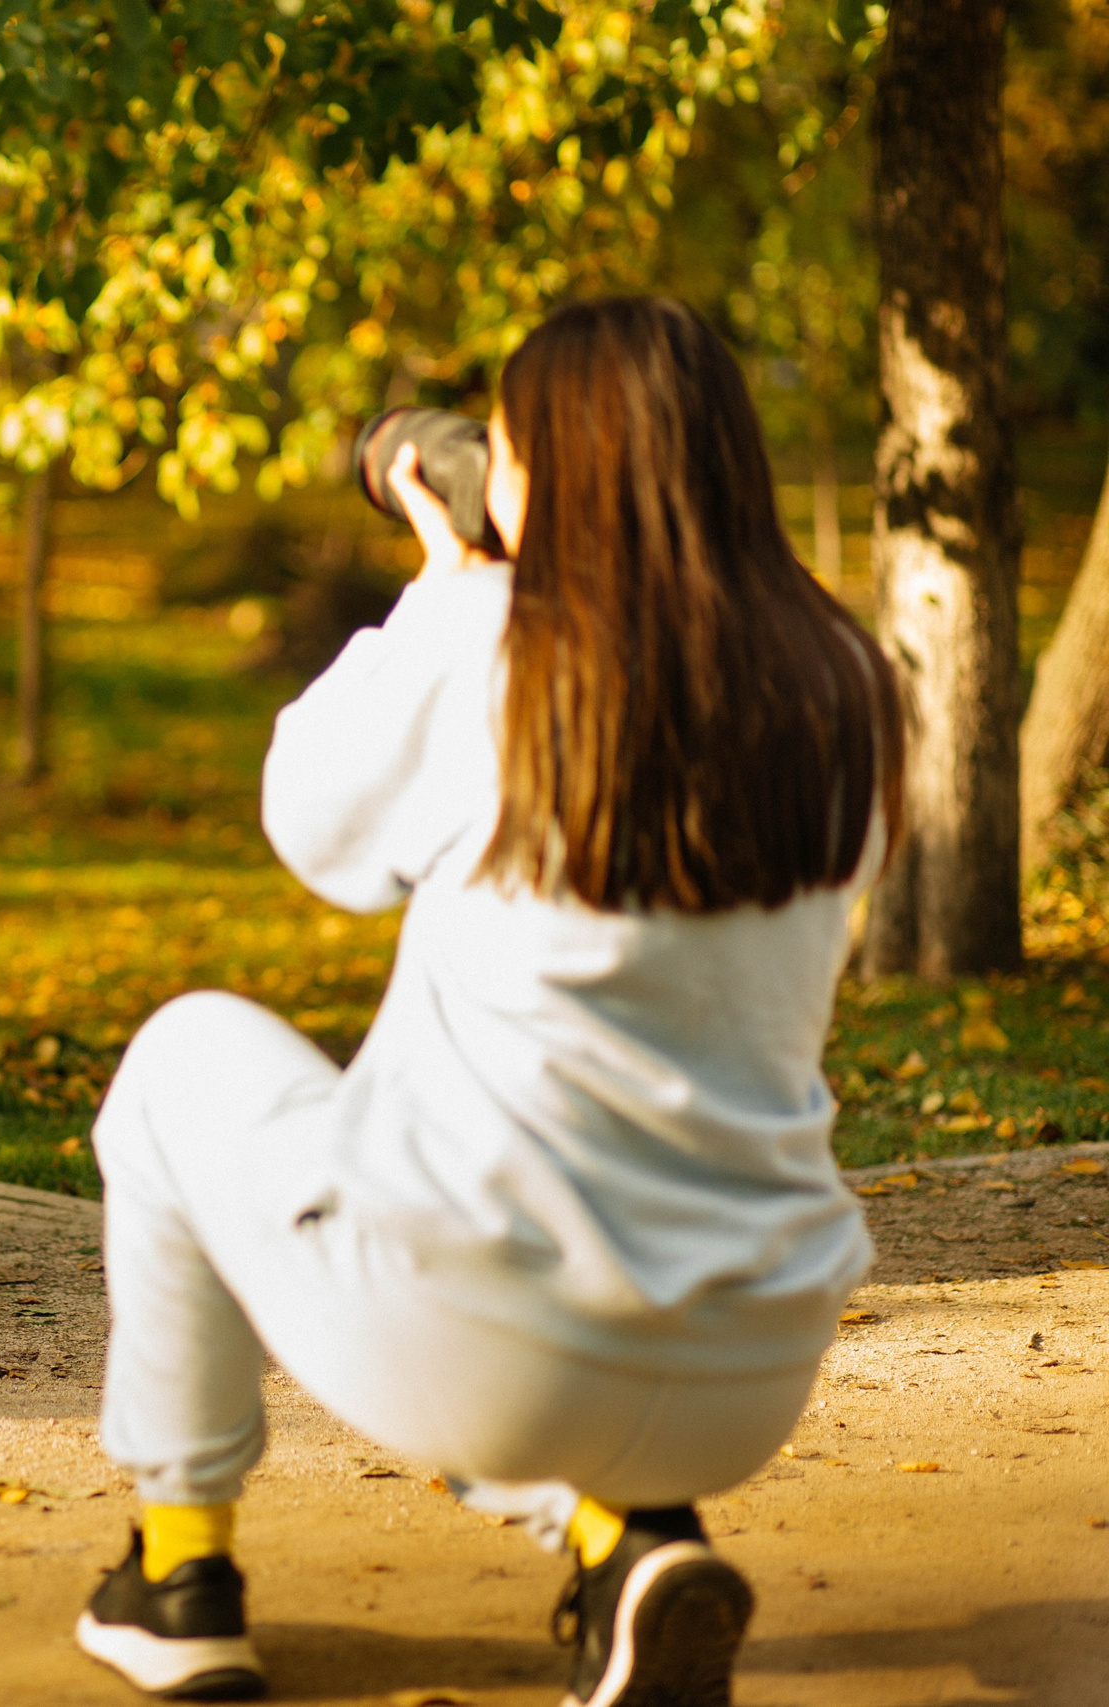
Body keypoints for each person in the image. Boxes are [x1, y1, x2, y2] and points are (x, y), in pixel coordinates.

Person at [72, 296, 903, 1706]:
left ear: (553, 473)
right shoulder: (844, 682)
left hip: (492, 1338)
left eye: (509, 445)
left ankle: (178, 1569)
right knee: (503, 1206)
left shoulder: (489, 641)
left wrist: (450, 584)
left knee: (179, 1060)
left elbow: (316, 834)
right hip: (749, 1361)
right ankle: (628, 1539)